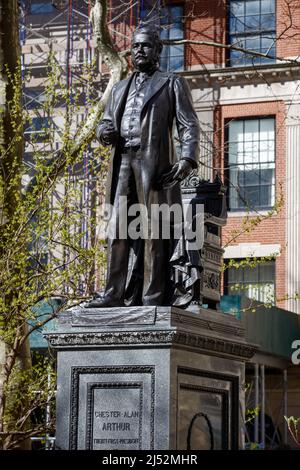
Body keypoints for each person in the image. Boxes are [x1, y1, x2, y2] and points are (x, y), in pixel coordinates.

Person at [88, 26, 200, 308]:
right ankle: (112, 293)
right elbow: (105, 123)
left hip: (153, 166)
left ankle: (153, 297)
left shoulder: (171, 82)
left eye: (146, 46)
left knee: (152, 232)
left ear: (158, 51)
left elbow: (189, 125)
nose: (139, 50)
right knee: (118, 229)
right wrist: (104, 133)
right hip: (122, 162)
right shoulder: (118, 88)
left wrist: (187, 159)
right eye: (136, 46)